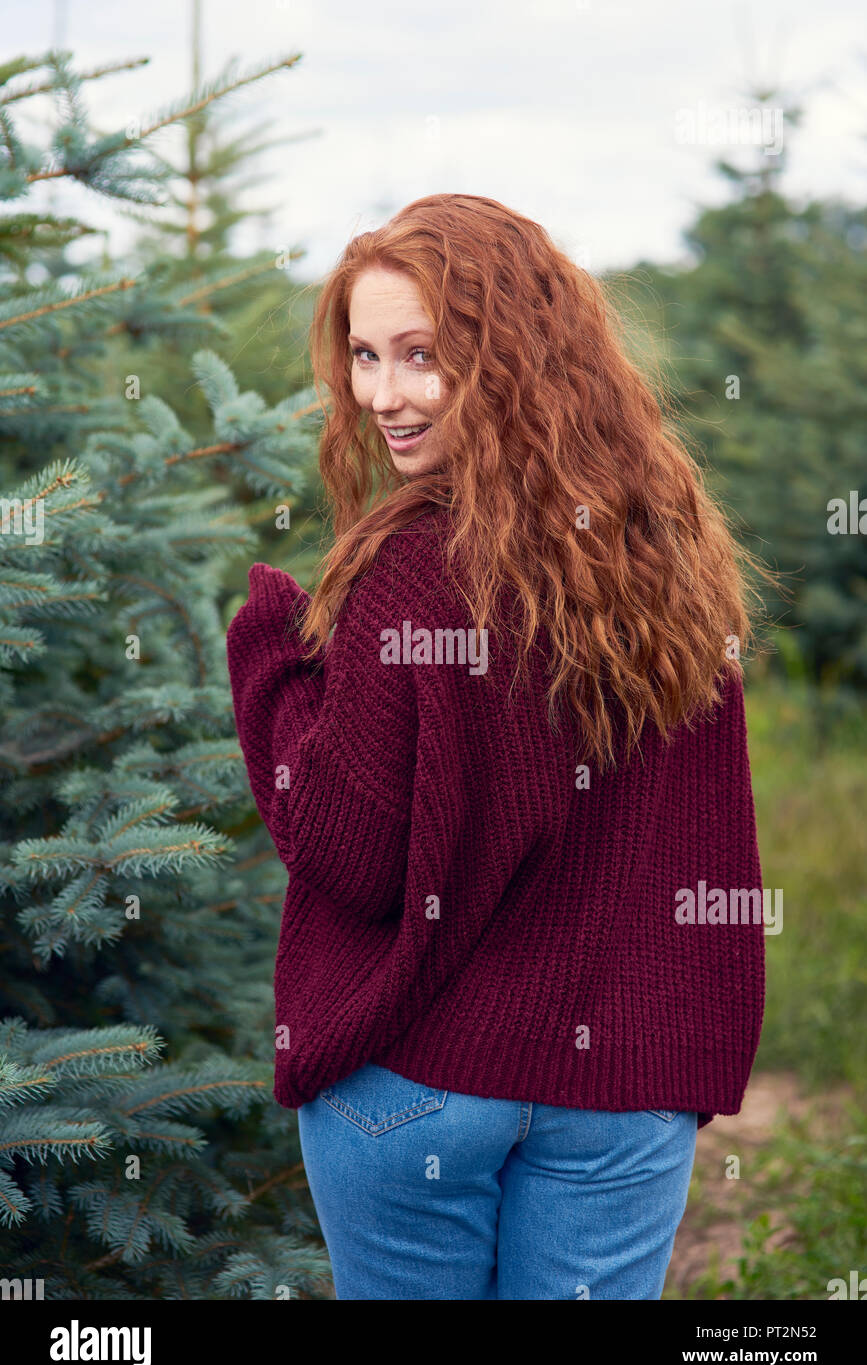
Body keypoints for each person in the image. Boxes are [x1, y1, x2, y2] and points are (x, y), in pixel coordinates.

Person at [225, 193, 767, 1300]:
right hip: (625, 1085)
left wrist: (269, 661)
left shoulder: (413, 568)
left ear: (508, 350)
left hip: (417, 1082)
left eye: (422, 355)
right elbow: (710, 845)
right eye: (365, 357)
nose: (382, 395)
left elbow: (354, 855)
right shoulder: (671, 553)